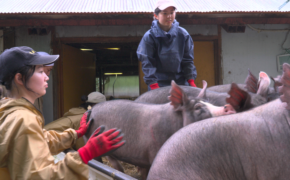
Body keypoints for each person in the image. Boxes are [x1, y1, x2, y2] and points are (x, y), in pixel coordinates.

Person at [0, 46, 125, 179]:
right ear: (19, 79)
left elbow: (42, 141)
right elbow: (40, 176)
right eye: (41, 71)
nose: (46, 77)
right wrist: (84, 155)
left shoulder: (10, 111)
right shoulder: (24, 118)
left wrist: (76, 134)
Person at [137, 0, 197, 90]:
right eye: (164, 13)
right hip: (158, 85)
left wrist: (191, 80)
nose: (169, 16)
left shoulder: (183, 35)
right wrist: (153, 85)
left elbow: (188, 60)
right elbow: (147, 63)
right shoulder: (149, 37)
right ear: (156, 16)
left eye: (172, 12)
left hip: (180, 83)